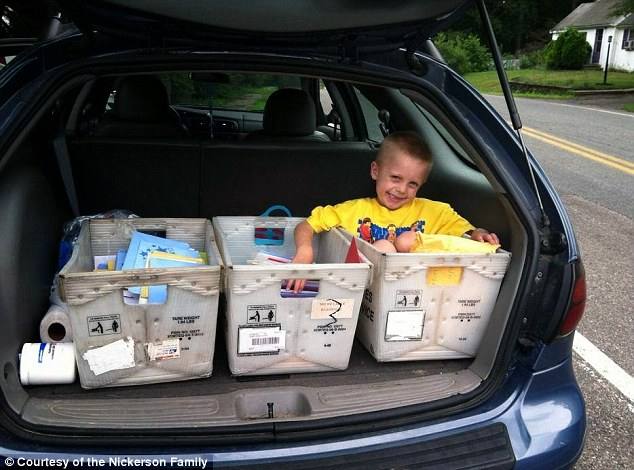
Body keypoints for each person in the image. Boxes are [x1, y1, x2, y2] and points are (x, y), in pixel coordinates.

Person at [287, 131, 499, 291]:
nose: (401, 190)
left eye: (413, 184)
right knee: (383, 246)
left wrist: (477, 234)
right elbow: (306, 225)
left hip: (422, 292)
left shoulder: (436, 211)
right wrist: (305, 250)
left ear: (422, 184)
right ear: (375, 171)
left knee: (407, 240)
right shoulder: (354, 210)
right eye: (395, 178)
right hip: (370, 296)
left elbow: (464, 233)